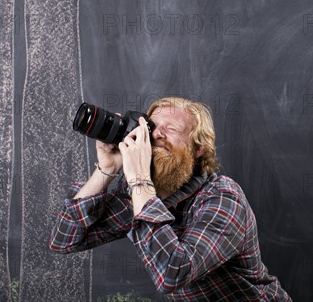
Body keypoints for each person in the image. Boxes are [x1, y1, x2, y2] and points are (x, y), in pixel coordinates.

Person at [49, 96, 291, 300]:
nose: (156, 136)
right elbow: (65, 239)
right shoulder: (139, 192)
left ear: (199, 149)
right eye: (152, 127)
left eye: (172, 129)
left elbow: (173, 272)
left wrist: (139, 180)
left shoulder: (223, 198)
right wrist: (106, 171)